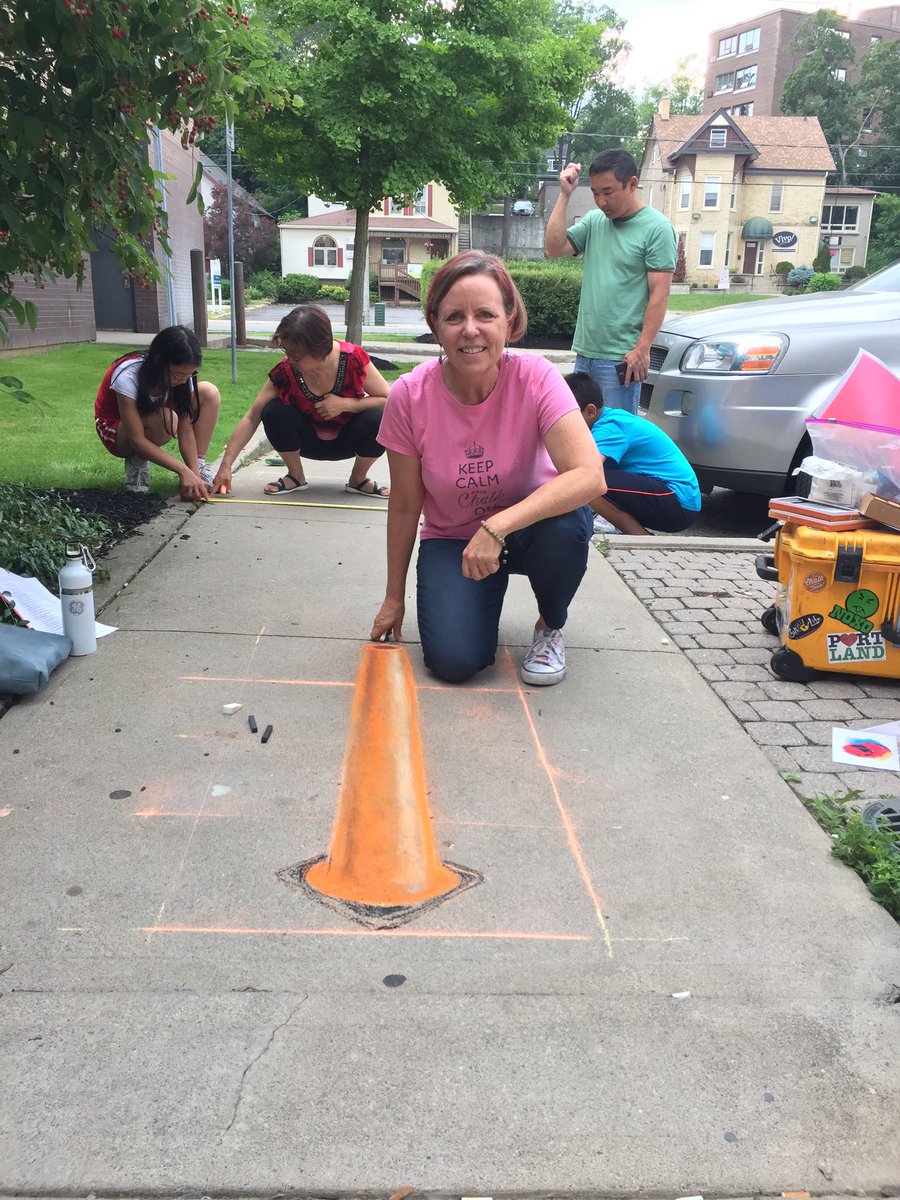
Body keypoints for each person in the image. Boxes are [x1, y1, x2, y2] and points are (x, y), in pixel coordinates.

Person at [370, 250, 605, 687]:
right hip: (455, 538)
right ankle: (477, 599)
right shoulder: (408, 395)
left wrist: (496, 527)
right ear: (435, 324)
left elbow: (590, 475)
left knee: (566, 527)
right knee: (454, 663)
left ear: (509, 321)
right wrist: (392, 596)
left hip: (535, 527)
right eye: (454, 316)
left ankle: (550, 625)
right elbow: (404, 505)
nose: (470, 330)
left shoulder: (537, 377)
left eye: (485, 314)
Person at [545, 148, 676, 415]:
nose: (601, 201)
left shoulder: (656, 228)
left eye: (608, 192)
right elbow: (554, 248)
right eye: (595, 193)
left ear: (632, 184)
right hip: (585, 353)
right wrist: (565, 194)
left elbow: (659, 294)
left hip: (621, 358)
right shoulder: (595, 222)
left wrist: (643, 348)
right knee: (582, 438)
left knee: (614, 442)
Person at [212, 305, 391, 498]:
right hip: (307, 442)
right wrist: (226, 465)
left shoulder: (353, 359)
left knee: (378, 417)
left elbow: (388, 399)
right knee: (272, 410)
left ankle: (358, 479)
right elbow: (251, 417)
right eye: (288, 352)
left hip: (348, 441)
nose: (290, 360)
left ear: (320, 349)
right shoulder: (286, 372)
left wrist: (346, 404)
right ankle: (295, 476)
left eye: (296, 355)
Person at [566, 371, 701, 535]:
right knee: (588, 480)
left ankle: (640, 539)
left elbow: (582, 469)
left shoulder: (611, 427)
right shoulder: (605, 421)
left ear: (590, 411)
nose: (564, 421)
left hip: (678, 502)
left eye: (567, 415)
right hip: (677, 501)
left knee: (587, 481)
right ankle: (638, 537)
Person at [95, 325, 221, 498]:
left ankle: (198, 467)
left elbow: (185, 430)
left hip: (152, 418)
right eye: (178, 374)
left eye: (189, 375)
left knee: (208, 392)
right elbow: (137, 439)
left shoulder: (183, 379)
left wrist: (194, 476)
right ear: (158, 361)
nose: (182, 380)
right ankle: (137, 462)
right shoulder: (129, 374)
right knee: (166, 420)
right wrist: (182, 471)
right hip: (116, 430)